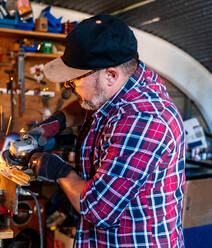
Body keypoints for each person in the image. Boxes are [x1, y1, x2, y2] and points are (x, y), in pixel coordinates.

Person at [27, 14, 185, 247]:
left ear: (110, 75)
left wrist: (57, 170)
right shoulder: (127, 83)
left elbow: (97, 208)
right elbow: (92, 102)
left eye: (74, 80)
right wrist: (56, 122)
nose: (69, 86)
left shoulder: (142, 120)